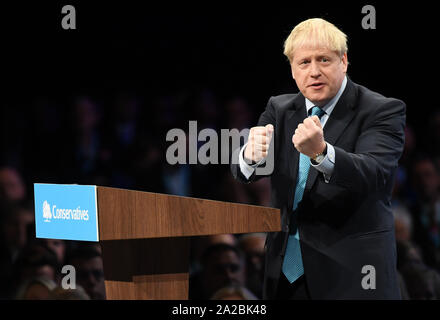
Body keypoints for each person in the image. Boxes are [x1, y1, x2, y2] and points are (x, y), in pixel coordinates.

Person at [231, 18, 406, 299]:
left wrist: (322, 154)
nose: (314, 71)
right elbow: (247, 170)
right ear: (292, 69)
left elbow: (375, 173)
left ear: (344, 60)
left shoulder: (380, 110)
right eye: (304, 63)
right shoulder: (279, 107)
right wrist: (249, 157)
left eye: (324, 60)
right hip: (284, 275)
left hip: (352, 276)